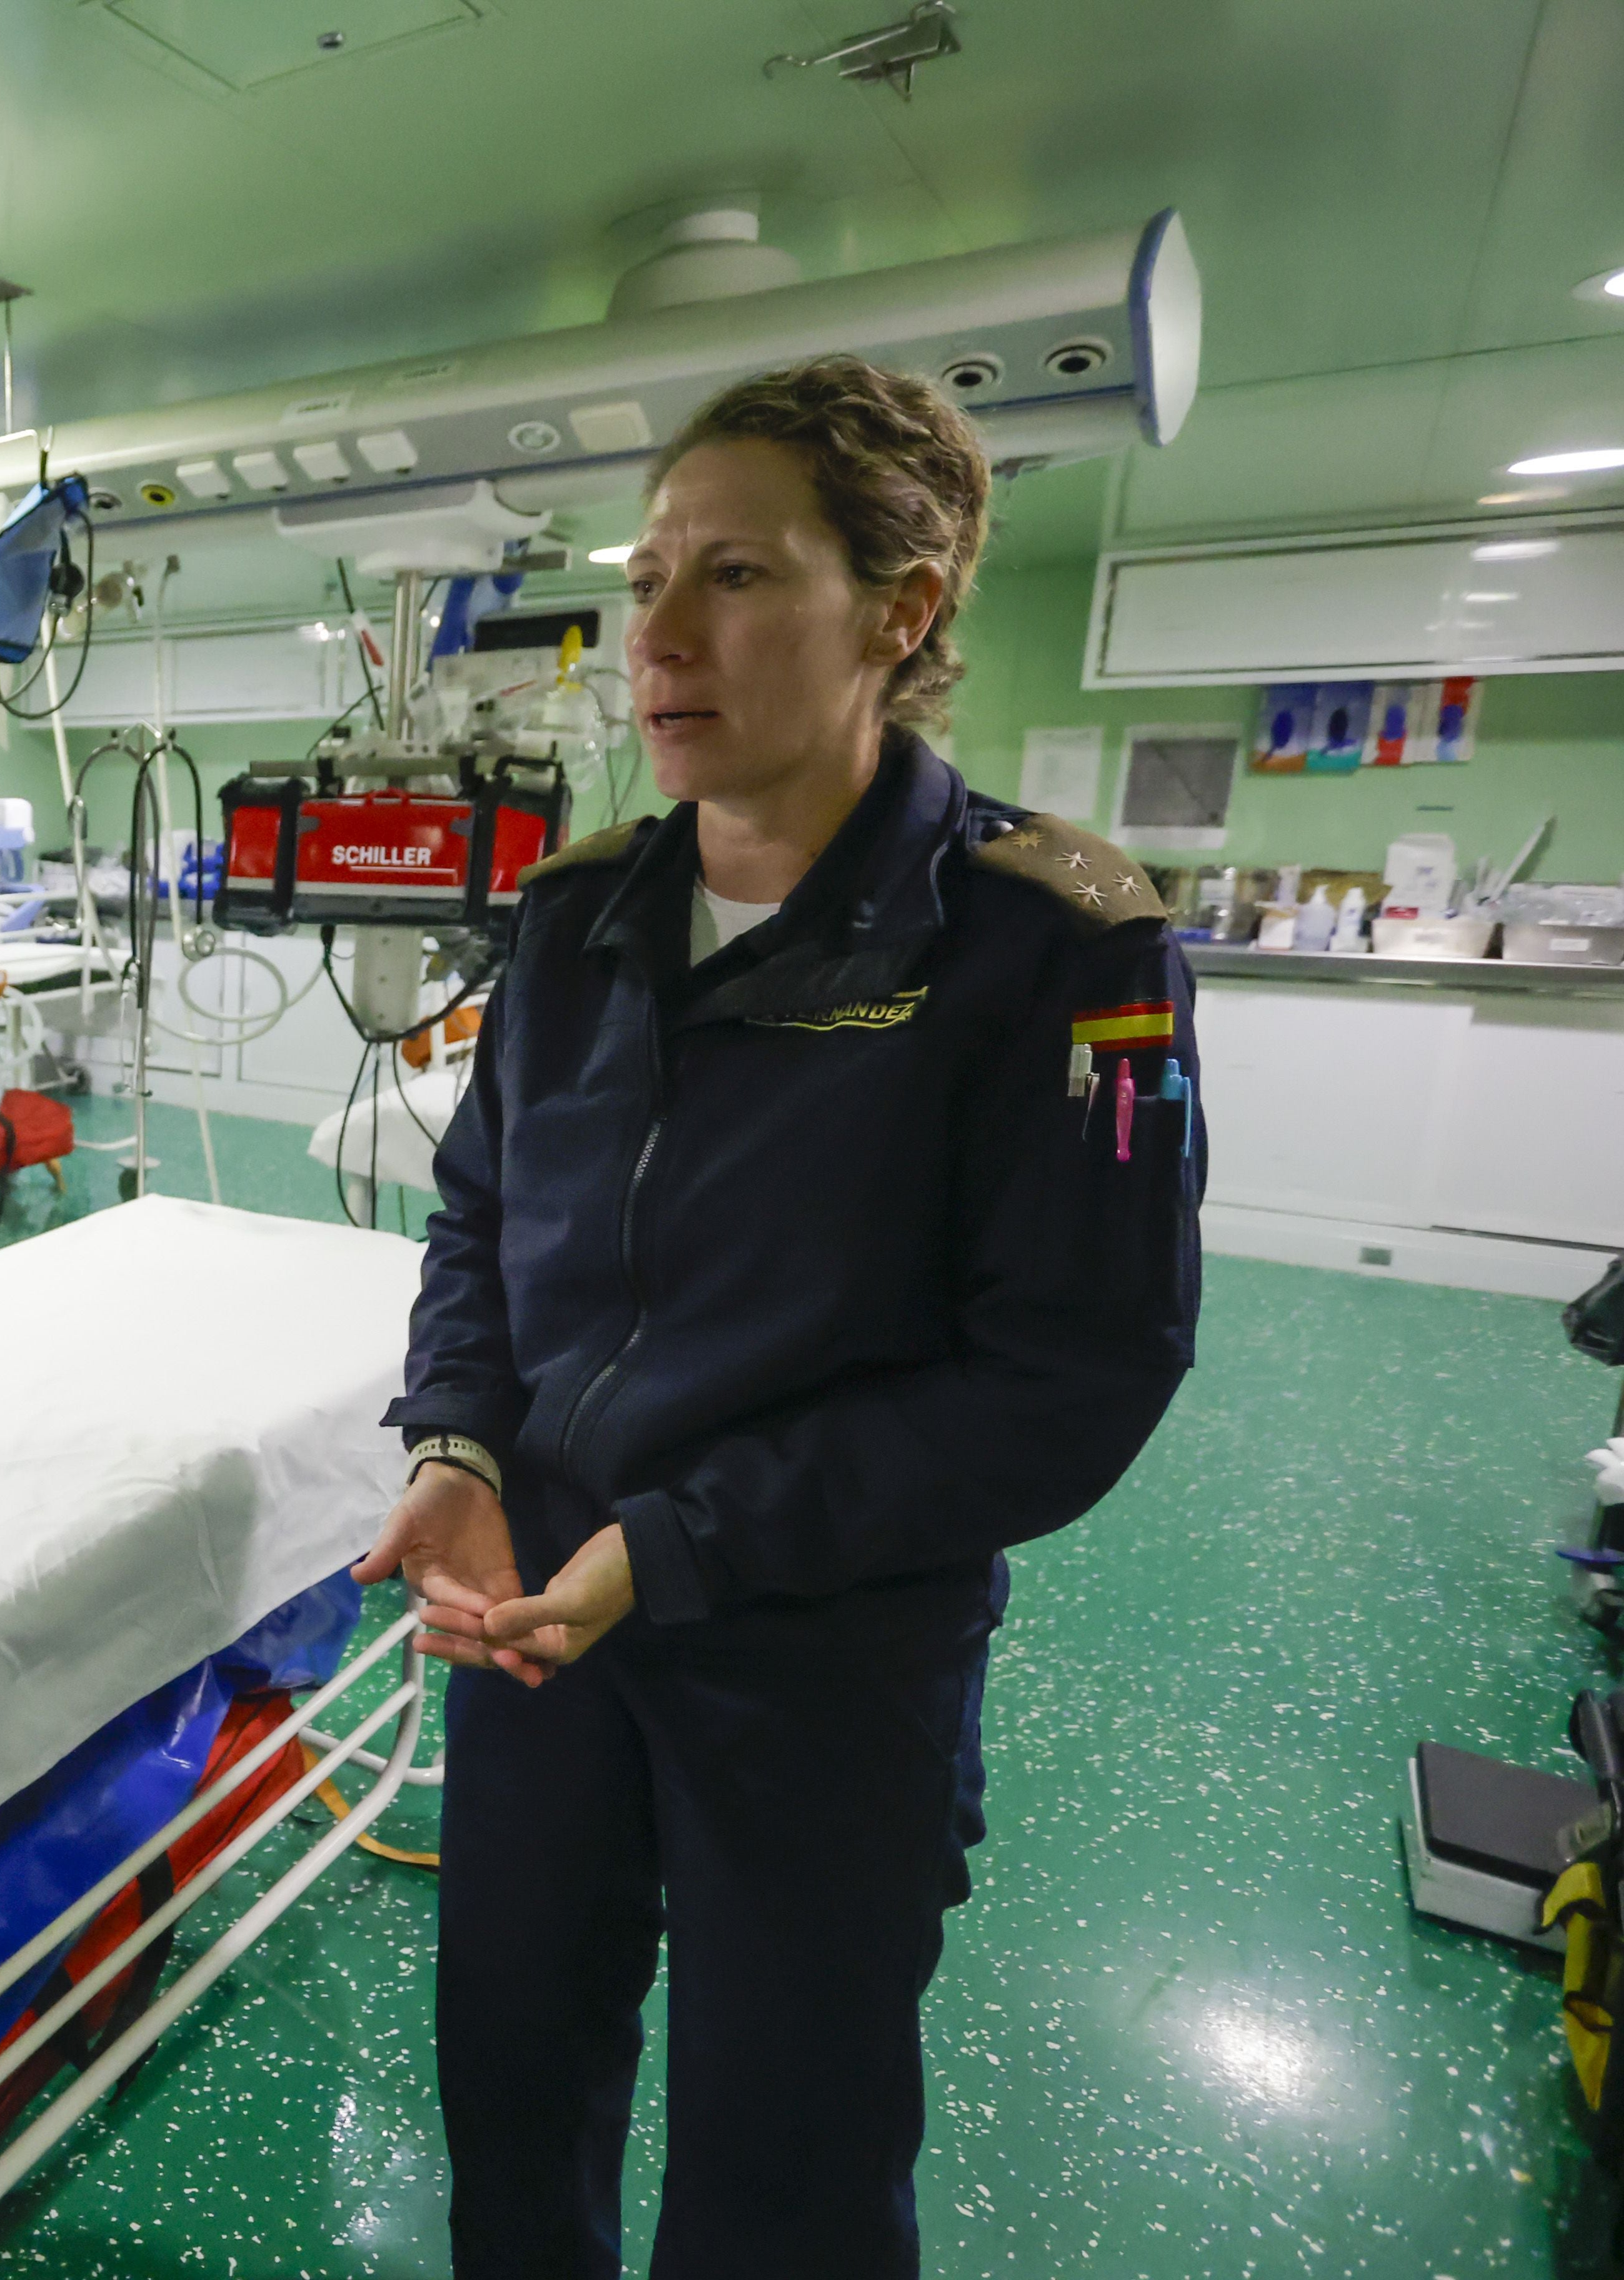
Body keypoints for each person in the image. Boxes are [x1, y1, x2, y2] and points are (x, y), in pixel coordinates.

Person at [352, 354, 1203, 2278]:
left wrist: (687, 1542)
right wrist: (462, 1443)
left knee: (787, 2168)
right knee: (512, 2082)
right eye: (646, 577)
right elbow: (484, 1213)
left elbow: (1075, 1372)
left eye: (732, 575)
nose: (654, 631)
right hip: (541, 1630)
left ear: (899, 614)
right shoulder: (574, 925)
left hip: (821, 1662)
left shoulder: (1054, 950)